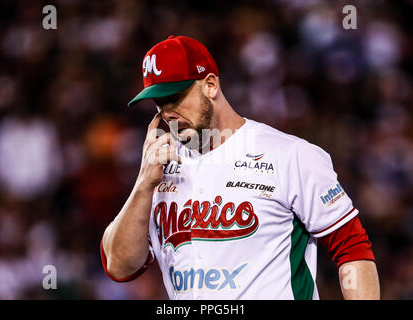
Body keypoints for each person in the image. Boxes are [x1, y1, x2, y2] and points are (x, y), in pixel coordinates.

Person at [100, 35, 380, 299]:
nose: (167, 112)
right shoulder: (157, 170)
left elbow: (352, 249)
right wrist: (143, 184)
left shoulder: (291, 155)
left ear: (210, 85)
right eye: (159, 103)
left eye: (175, 97)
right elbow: (119, 266)